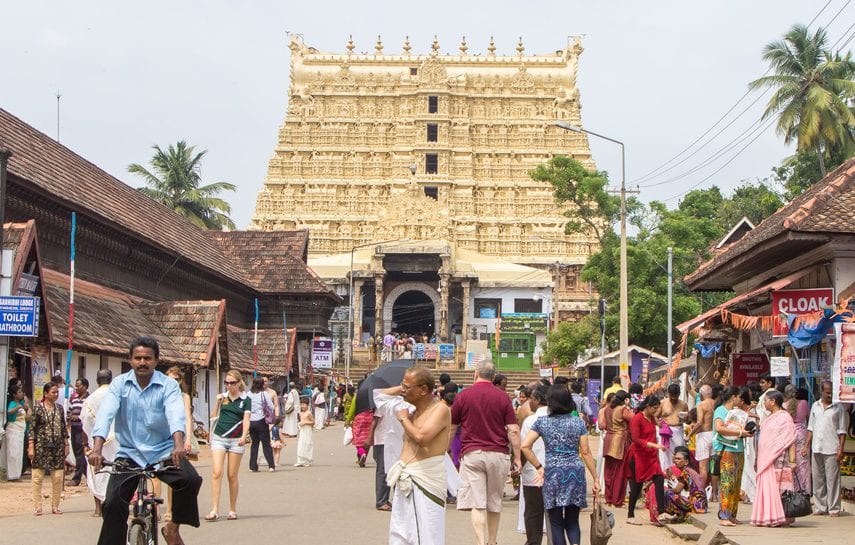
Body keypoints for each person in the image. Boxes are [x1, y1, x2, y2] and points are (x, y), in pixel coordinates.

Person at [89, 337, 202, 545]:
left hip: (164, 452)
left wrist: (178, 445)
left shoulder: (168, 385)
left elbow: (175, 414)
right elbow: (105, 415)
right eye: (138, 358)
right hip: (129, 454)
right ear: (130, 360)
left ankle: (173, 529)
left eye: (147, 358)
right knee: (113, 504)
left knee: (190, 480)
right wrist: (96, 449)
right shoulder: (119, 385)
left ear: (156, 360)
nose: (143, 362)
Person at [450, 361, 521, 545]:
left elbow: (452, 427)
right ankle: (492, 541)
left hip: (472, 453)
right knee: (494, 501)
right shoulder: (503, 397)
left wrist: (447, 449)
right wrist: (518, 458)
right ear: (493, 376)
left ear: (476, 374)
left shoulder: (463, 396)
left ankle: (481, 542)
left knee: (478, 503)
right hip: (498, 454)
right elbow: (513, 430)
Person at [522, 385, 599, 545]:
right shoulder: (578, 422)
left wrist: (538, 467)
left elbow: (525, 446)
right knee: (572, 521)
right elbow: (585, 452)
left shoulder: (542, 422)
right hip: (575, 473)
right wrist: (596, 478)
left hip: (553, 473)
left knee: (556, 522)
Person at [386, 367, 452, 545]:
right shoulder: (413, 412)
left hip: (425, 479)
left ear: (423, 390)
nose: (402, 390)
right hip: (407, 478)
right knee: (402, 533)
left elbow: (422, 438)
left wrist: (403, 419)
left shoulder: (440, 410)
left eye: (407, 387)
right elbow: (380, 395)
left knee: (426, 534)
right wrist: (407, 417)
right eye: (402, 385)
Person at [207, 369, 250, 522]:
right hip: (219, 437)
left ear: (239, 383)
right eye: (227, 383)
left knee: (232, 475)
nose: (229, 386)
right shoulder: (223, 398)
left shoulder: (245, 400)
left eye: (232, 383)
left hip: (236, 440)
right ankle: (214, 509)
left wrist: (244, 436)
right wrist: (217, 402)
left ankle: (232, 509)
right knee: (216, 472)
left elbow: (246, 420)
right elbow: (212, 417)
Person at [750, 389, 797, 527]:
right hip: (765, 460)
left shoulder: (784, 417)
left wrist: (793, 461)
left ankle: (781, 516)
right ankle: (766, 516)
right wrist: (757, 459)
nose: (764, 403)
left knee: (780, 489)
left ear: (773, 401)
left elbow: (791, 439)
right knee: (767, 488)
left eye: (765, 400)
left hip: (779, 460)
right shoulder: (769, 418)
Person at [625, 395, 674, 526]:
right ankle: (630, 515)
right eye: (654, 408)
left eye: (658, 408)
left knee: (659, 479)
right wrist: (654, 445)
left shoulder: (652, 418)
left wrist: (658, 449)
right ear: (647, 406)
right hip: (638, 456)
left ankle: (662, 511)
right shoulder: (637, 419)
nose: (656, 411)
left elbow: (653, 435)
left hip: (651, 457)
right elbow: (636, 439)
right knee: (637, 487)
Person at [805, 380, 848, 517]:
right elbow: (810, 428)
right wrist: (806, 446)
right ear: (822, 392)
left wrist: (841, 449)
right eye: (827, 392)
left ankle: (834, 508)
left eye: (831, 392)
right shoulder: (815, 406)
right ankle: (820, 507)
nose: (829, 395)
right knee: (817, 479)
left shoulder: (838, 408)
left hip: (832, 447)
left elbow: (842, 431)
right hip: (817, 447)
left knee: (832, 480)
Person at [373, 380, 416, 511]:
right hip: (383, 439)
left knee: (400, 470)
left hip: (401, 441)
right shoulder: (387, 402)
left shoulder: (408, 404)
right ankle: (382, 500)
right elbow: (375, 418)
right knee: (384, 470)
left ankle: (399, 499)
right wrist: (369, 438)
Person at [712, 386, 750, 527]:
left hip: (738, 449)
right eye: (740, 398)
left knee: (736, 484)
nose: (741, 401)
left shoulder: (738, 413)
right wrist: (740, 433)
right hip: (726, 450)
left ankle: (732, 514)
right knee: (727, 483)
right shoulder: (721, 410)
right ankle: (724, 515)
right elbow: (719, 428)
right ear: (733, 397)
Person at [29, 382, 69, 516]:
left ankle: (55, 506)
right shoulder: (38, 409)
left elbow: (63, 428)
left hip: (57, 446)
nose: (56, 394)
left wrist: (66, 444)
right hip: (41, 446)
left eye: (57, 392)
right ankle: (37, 507)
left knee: (57, 477)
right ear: (45, 394)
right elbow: (32, 429)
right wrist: (31, 447)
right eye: (53, 392)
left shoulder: (60, 408)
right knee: (37, 477)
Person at [81, 369, 115, 517]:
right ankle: (113, 504)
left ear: (97, 381)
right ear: (111, 380)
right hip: (116, 441)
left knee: (96, 472)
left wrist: (86, 443)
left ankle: (98, 508)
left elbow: (84, 422)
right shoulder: (117, 396)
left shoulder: (90, 399)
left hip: (96, 442)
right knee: (115, 471)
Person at [519, 384, 549, 545]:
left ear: (537, 400)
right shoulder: (559, 419)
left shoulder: (530, 420)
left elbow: (524, 447)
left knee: (533, 512)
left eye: (531, 398)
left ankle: (533, 542)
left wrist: (519, 466)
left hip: (533, 471)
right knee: (554, 513)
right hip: (554, 471)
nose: (529, 401)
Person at [646, 446, 707, 523]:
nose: (676, 461)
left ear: (686, 462)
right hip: (702, 505)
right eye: (675, 458)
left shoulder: (685, 472)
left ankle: (672, 514)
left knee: (667, 493)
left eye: (679, 459)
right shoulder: (690, 470)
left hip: (696, 505)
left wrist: (666, 490)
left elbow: (677, 490)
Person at [603, 390, 632, 507]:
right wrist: (628, 406)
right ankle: (617, 499)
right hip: (619, 441)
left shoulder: (607, 409)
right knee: (619, 471)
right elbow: (633, 419)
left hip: (608, 439)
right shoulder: (622, 409)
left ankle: (609, 498)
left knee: (608, 471)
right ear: (625, 399)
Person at [785, 386, 811, 493]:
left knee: (791, 462)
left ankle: (792, 490)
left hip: (789, 434)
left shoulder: (785, 405)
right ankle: (804, 490)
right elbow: (809, 417)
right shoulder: (804, 403)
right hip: (801, 435)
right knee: (803, 464)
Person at [247, 376, 275, 472]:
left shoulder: (248, 394)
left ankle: (253, 466)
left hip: (251, 421)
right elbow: (271, 406)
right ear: (262, 384)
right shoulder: (264, 394)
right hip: (261, 421)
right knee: (266, 444)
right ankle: (271, 465)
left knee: (254, 444)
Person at [691, 385, 715, 493]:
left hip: (704, 435)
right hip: (714, 434)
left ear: (701, 394)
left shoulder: (701, 405)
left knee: (703, 466)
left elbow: (700, 422)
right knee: (714, 466)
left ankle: (702, 491)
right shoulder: (716, 403)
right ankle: (714, 493)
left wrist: (690, 434)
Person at [66, 377, 89, 486]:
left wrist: (78, 417)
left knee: (80, 453)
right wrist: (70, 417)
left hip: (82, 429)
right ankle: (89, 476)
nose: (76, 387)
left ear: (85, 386)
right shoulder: (74, 399)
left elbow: (88, 415)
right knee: (76, 453)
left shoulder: (88, 399)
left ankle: (76, 478)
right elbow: (69, 412)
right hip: (74, 428)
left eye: (78, 385)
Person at [659, 383, 688, 468]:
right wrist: (660, 424)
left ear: (679, 394)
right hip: (665, 431)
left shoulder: (683, 404)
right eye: (672, 396)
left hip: (678, 430)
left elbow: (689, 420)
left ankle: (678, 472)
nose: (674, 398)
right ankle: (666, 472)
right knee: (665, 453)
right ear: (668, 394)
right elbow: (655, 417)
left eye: (676, 396)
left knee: (679, 452)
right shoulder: (662, 403)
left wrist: (686, 419)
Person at [3, 383, 28, 481]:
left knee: (18, 453)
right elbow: (9, 412)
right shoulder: (13, 403)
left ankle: (17, 474)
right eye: (19, 392)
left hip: (20, 431)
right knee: (12, 453)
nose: (21, 394)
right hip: (13, 430)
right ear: (14, 394)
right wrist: (18, 407)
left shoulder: (22, 404)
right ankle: (12, 476)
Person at [295, 397, 315, 467]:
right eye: (301, 404)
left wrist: (306, 422)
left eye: (304, 404)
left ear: (307, 405)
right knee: (301, 445)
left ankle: (307, 460)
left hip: (308, 430)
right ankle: (300, 460)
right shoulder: (300, 413)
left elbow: (313, 422)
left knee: (307, 444)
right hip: (302, 430)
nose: (302, 406)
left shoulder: (309, 413)